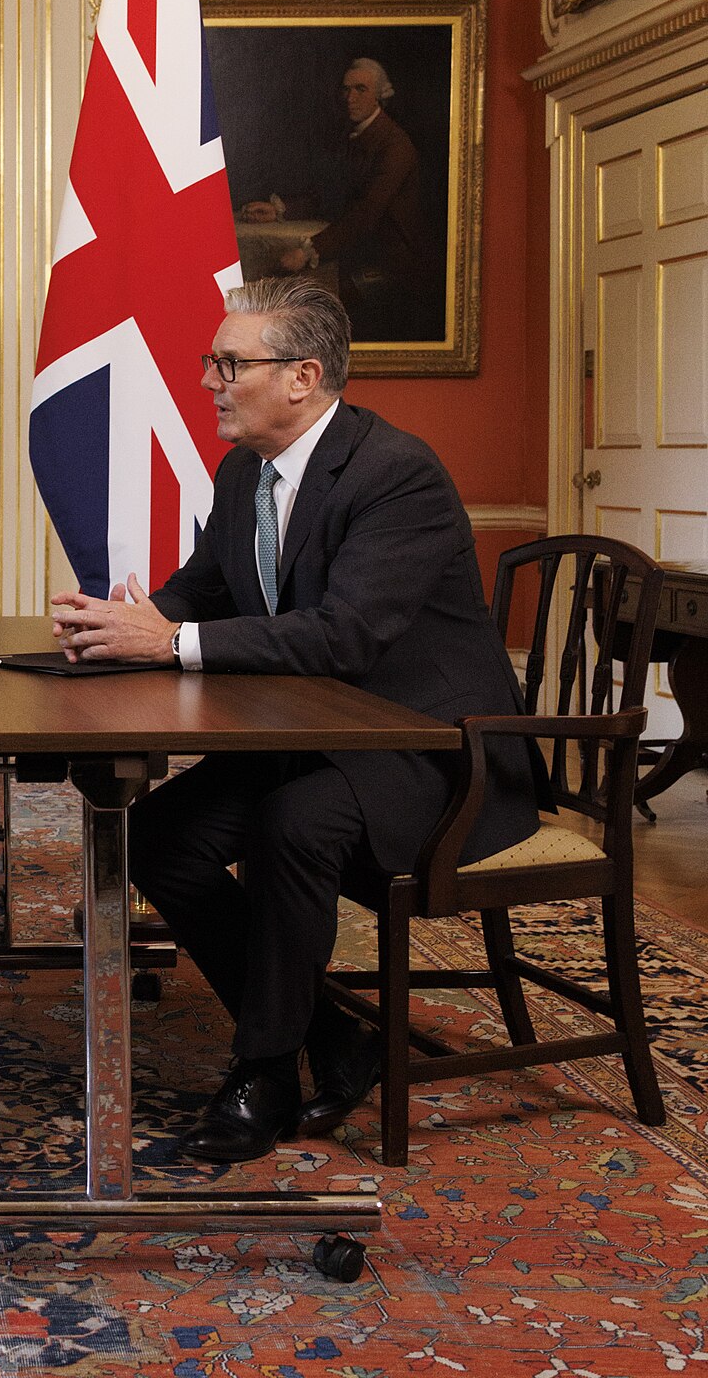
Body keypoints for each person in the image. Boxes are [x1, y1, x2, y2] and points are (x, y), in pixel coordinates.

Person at [50, 276, 540, 1163]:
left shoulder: (397, 475)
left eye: (229, 364)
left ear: (302, 377)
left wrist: (171, 644)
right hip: (318, 736)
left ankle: (264, 1070)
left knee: (293, 825)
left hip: (427, 750)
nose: (209, 380)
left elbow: (344, 636)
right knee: (158, 835)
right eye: (214, 361)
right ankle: (331, 1037)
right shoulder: (248, 472)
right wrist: (124, 626)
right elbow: (200, 592)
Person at [242, 58, 431, 339]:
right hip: (357, 253)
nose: (350, 98)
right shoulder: (356, 137)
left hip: (386, 267)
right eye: (345, 90)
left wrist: (306, 251)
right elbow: (334, 196)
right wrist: (279, 209)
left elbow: (365, 213)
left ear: (380, 95)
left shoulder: (395, 146)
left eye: (360, 89)